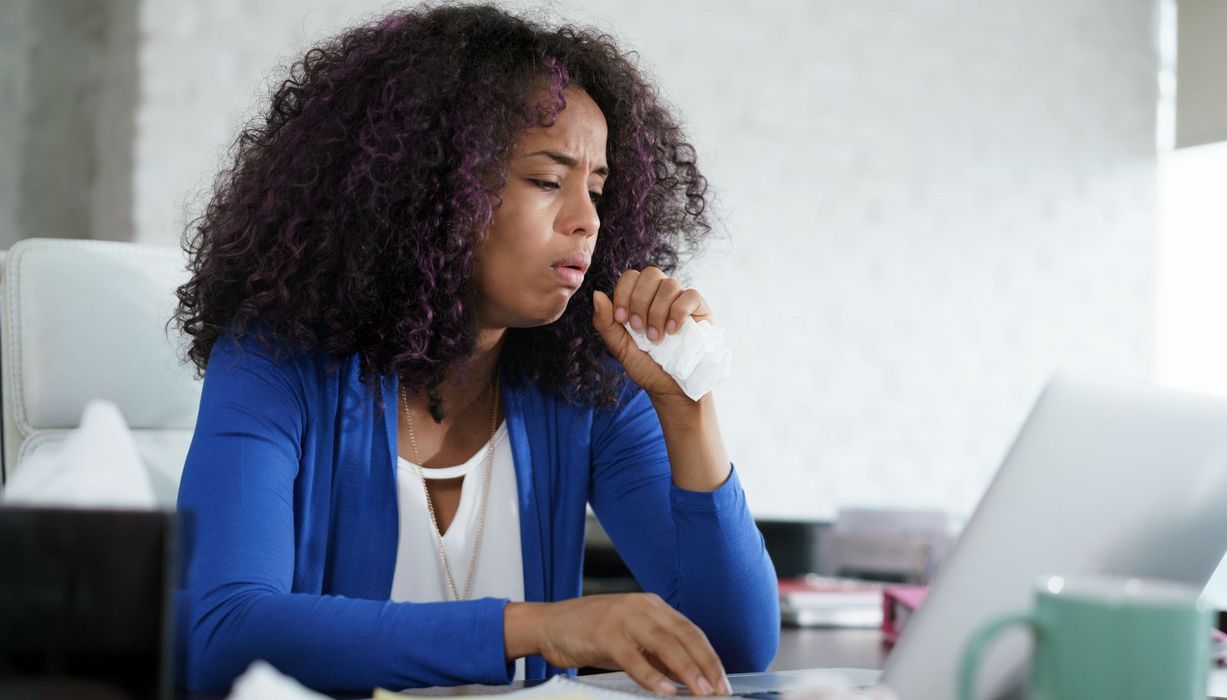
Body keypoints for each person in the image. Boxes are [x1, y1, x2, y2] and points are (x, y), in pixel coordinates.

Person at [174, 3, 778, 695]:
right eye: (547, 182)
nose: (586, 222)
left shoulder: (583, 385)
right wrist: (539, 627)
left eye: (598, 190)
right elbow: (221, 634)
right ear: (430, 188)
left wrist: (686, 407)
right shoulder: (275, 362)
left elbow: (735, 646)